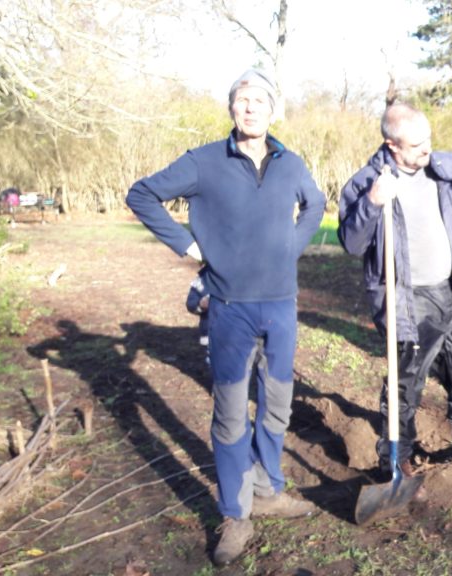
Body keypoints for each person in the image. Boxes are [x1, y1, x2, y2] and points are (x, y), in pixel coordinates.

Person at [126, 68, 325, 566]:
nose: (251, 107)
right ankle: (237, 513)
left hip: (281, 304)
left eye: (260, 100)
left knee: (277, 405)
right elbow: (141, 194)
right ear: (232, 109)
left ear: (273, 110)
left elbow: (317, 204)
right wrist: (190, 245)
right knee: (232, 413)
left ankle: (269, 488)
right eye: (242, 100)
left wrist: (290, 247)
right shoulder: (204, 162)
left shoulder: (290, 162)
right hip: (229, 308)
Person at [338, 103, 452, 485]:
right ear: (392, 146)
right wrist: (373, 202)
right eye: (417, 145)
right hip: (407, 299)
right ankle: (398, 456)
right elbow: (352, 243)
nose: (427, 150)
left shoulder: (444, 168)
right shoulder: (366, 183)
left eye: (429, 140)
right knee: (406, 380)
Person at [185, 270, 211, 364]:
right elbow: (190, 303)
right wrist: (200, 305)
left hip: (237, 333)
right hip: (210, 334)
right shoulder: (203, 278)